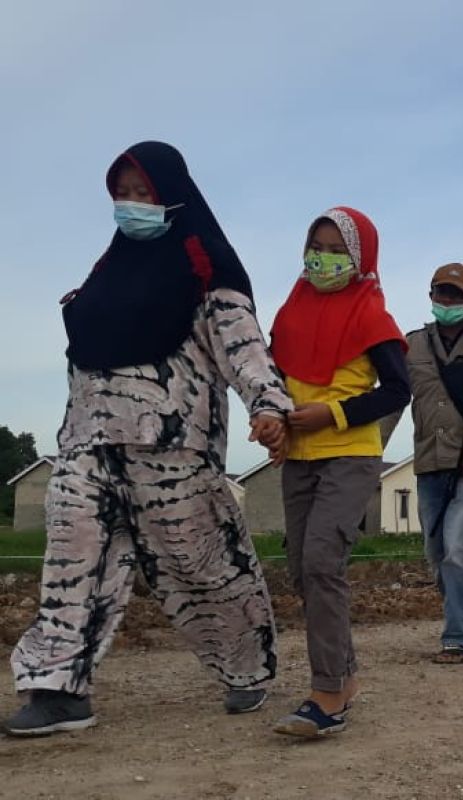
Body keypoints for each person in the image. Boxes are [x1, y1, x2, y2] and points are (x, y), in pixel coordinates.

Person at [4, 142, 290, 737]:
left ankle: (246, 670)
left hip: (172, 447)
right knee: (71, 563)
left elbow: (242, 347)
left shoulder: (206, 265)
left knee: (200, 565)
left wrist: (268, 406)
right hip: (86, 445)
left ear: (171, 195)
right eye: (122, 193)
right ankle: (57, 691)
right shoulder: (106, 271)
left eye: (143, 192)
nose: (131, 204)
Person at [268, 207, 410, 737]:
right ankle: (344, 677)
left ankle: (326, 695)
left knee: (323, 560)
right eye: (317, 246)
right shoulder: (288, 315)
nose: (323, 259)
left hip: (350, 450)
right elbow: (271, 379)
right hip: (299, 456)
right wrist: (271, 420)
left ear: (360, 258)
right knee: (304, 570)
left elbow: (398, 391)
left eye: (337, 250)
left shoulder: (372, 317)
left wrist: (334, 412)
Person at [407, 263, 463, 664]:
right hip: (429, 461)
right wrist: (368, 453)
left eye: (456, 295)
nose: (448, 300)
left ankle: (460, 637)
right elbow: (393, 402)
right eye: (441, 292)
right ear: (431, 296)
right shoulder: (412, 346)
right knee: (434, 551)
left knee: (457, 546)